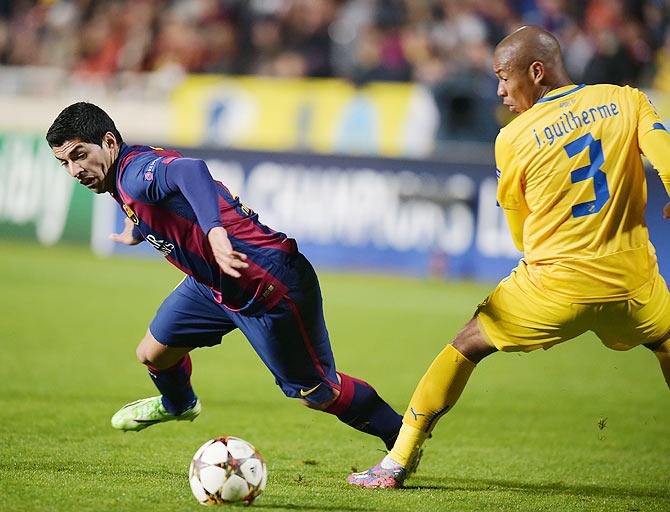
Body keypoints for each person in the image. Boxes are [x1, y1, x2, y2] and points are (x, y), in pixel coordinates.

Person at [348, 25, 670, 489]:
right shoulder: (626, 100)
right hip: (633, 281)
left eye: (504, 76)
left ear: (536, 72)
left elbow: (520, 233)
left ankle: (395, 462)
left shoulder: (514, 138)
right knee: (666, 342)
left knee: (466, 344)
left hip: (554, 287)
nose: (499, 90)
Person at [46, 102, 403, 452]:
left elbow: (191, 171)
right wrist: (138, 225)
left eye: (79, 155)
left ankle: (402, 438)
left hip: (268, 285)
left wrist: (215, 231)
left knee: (320, 394)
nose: (74, 170)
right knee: (153, 353)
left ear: (109, 142)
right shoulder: (126, 171)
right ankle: (180, 404)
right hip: (213, 285)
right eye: (64, 162)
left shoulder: (135, 175)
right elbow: (166, 196)